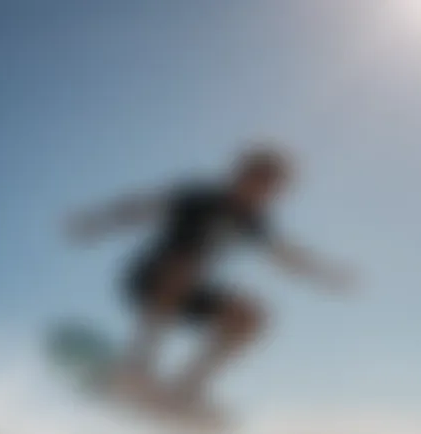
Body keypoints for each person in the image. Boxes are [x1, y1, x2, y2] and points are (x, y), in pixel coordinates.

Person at [66, 146, 353, 413]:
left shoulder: (252, 221)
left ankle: (186, 391)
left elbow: (285, 255)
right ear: (240, 175)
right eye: (257, 181)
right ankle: (137, 368)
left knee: (251, 315)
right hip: (148, 279)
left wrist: (326, 273)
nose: (261, 193)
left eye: (270, 189)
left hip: (189, 291)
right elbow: (140, 208)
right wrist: (94, 222)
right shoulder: (199, 199)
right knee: (183, 267)